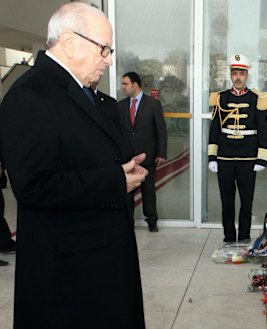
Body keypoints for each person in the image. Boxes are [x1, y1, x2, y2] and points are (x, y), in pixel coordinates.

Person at [0, 3, 148, 328]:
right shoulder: (30, 96)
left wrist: (125, 169)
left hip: (96, 261)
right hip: (67, 277)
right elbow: (33, 186)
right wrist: (113, 181)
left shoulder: (81, 94)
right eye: (104, 49)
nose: (108, 59)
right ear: (70, 42)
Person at [208, 53, 267, 244]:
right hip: (225, 157)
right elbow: (215, 129)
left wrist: (261, 158)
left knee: (246, 202)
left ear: (247, 75)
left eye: (241, 73)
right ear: (230, 74)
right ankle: (228, 238)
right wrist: (212, 157)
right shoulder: (220, 98)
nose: (238, 77)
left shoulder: (257, 98)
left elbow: (263, 130)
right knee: (226, 202)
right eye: (234, 73)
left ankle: (243, 237)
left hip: (248, 157)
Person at [118, 71, 168, 232]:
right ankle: (127, 221)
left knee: (148, 192)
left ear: (135, 85)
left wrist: (161, 153)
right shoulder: (120, 106)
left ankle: (152, 221)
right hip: (127, 157)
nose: (123, 87)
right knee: (127, 192)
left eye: (125, 84)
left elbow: (161, 131)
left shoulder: (153, 104)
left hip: (148, 156)